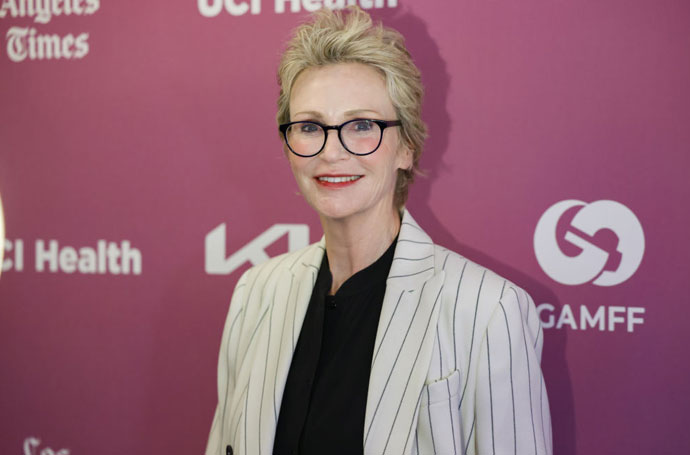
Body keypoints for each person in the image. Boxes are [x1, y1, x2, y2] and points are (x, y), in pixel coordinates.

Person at [205, 6, 552, 455]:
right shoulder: (256, 292)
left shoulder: (487, 310)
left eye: (362, 125)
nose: (332, 152)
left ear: (406, 147)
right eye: (310, 127)